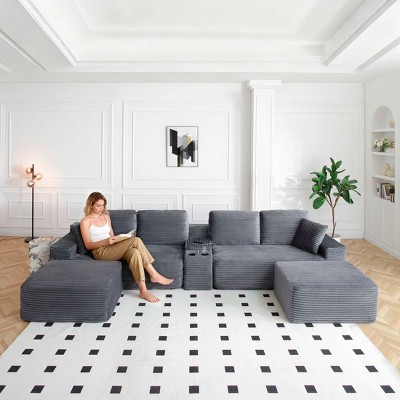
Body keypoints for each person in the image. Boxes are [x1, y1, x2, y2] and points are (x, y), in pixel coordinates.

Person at [80, 192, 173, 303]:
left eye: (103, 205)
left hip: (111, 247)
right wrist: (105, 242)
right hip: (100, 252)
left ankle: (143, 291)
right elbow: (88, 245)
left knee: (134, 252)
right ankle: (154, 274)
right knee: (136, 240)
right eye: (98, 206)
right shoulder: (85, 221)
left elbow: (112, 236)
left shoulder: (106, 216)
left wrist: (118, 240)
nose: (101, 208)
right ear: (91, 205)